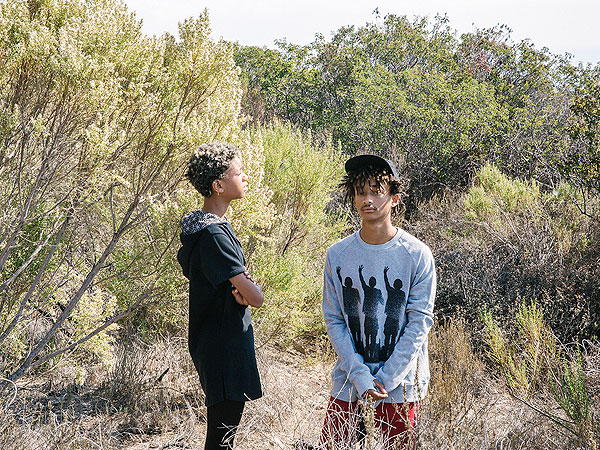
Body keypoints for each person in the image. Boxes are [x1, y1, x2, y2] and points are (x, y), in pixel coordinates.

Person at [319, 154, 436, 449]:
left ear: (394, 198)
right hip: (348, 382)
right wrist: (360, 376)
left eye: (376, 191)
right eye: (360, 192)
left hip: (400, 388)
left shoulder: (417, 255)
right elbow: (334, 319)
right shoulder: (338, 254)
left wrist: (386, 378)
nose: (367, 199)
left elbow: (419, 322)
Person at [177, 142, 264, 450]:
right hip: (223, 346)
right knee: (221, 439)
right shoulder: (213, 235)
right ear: (218, 185)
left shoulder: (205, 230)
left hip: (215, 343)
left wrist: (242, 289)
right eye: (238, 173)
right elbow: (255, 297)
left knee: (222, 436)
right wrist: (248, 291)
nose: (245, 178)